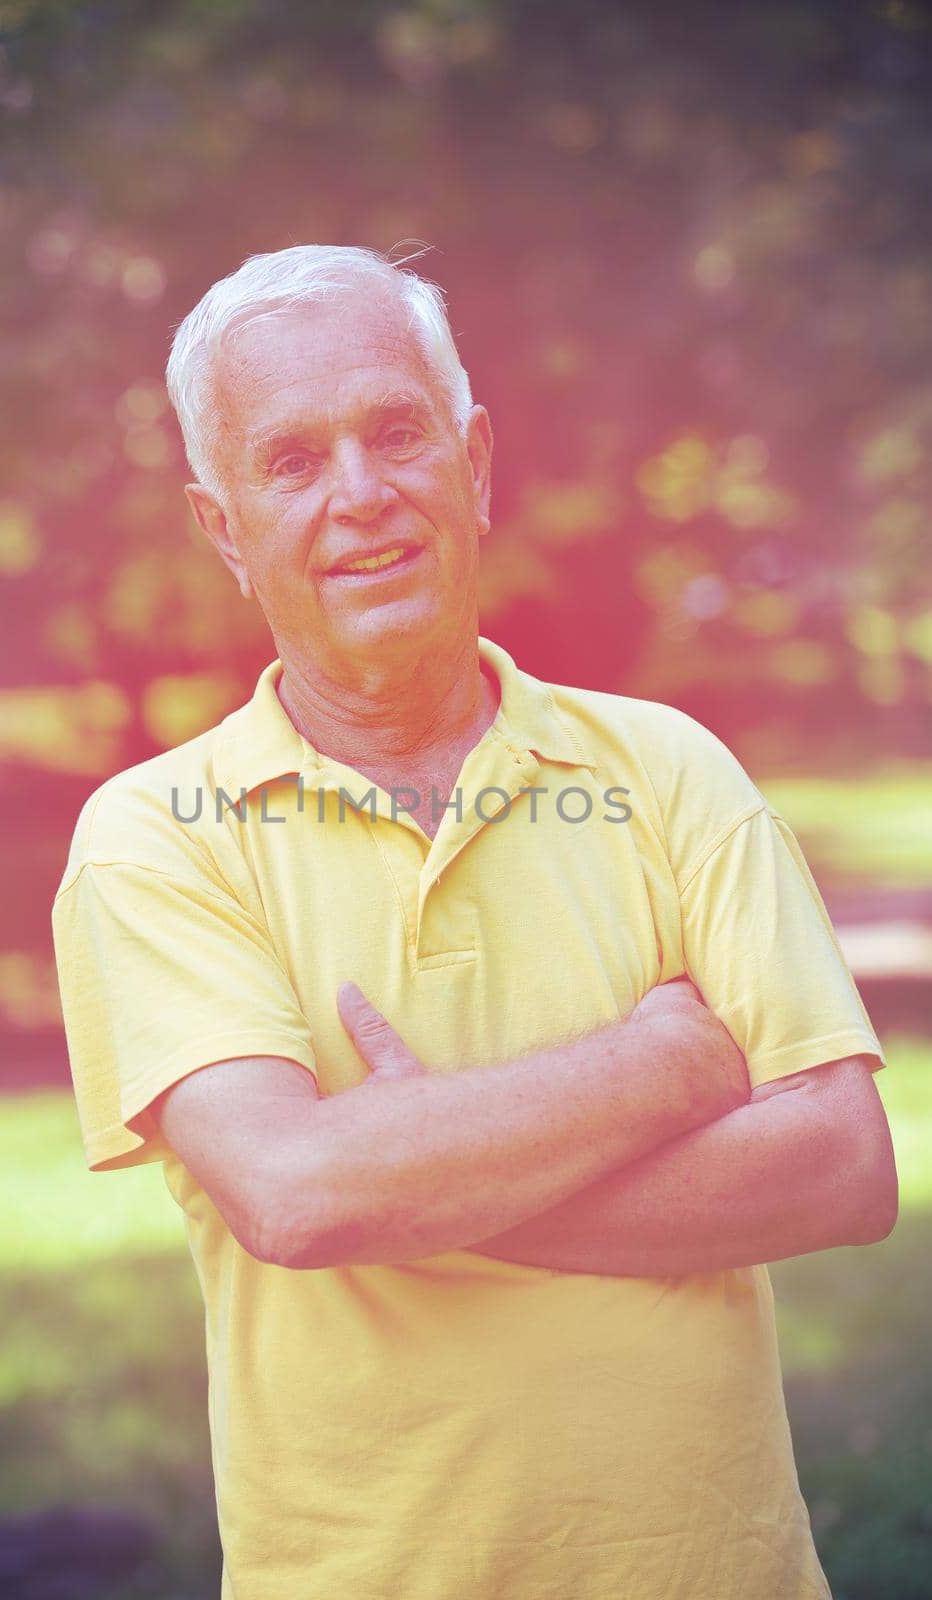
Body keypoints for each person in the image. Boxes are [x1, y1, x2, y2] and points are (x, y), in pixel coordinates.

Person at [51, 243, 897, 1600]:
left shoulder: (669, 771)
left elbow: (842, 1169)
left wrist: (426, 1165)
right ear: (224, 529)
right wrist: (663, 1068)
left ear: (477, 463)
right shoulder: (154, 837)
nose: (362, 495)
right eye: (292, 461)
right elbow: (297, 1189)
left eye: (397, 432)